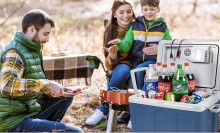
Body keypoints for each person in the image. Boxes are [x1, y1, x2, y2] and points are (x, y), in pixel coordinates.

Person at [0, 9, 83, 132]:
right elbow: (7, 85)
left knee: (65, 96)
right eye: (45, 34)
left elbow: (31, 88)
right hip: (12, 122)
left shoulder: (32, 49)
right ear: (32, 29)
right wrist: (46, 84)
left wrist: (57, 89)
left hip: (27, 110)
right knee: (77, 132)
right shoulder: (15, 53)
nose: (48, 39)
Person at [108, 0, 172, 128]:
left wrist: (159, 47)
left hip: (152, 62)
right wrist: (119, 44)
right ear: (142, 10)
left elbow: (168, 45)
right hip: (136, 61)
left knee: (139, 70)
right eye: (146, 9)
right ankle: (133, 113)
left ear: (158, 10)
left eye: (152, 9)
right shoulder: (136, 25)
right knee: (135, 73)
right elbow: (127, 45)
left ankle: (136, 114)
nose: (149, 12)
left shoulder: (162, 27)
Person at [85, 0, 135, 127]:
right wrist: (112, 56)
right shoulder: (111, 30)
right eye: (121, 12)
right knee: (124, 70)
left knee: (137, 74)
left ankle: (134, 114)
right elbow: (110, 64)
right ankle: (103, 110)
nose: (126, 16)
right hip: (121, 65)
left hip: (138, 63)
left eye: (129, 12)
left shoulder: (137, 27)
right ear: (114, 14)